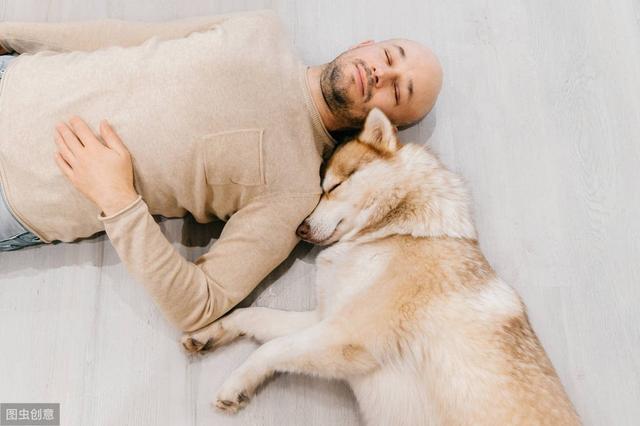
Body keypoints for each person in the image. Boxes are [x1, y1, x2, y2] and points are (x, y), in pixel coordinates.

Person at [0, 10, 443, 332]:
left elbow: (198, 305)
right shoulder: (260, 27)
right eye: (391, 54)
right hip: (12, 76)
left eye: (400, 90)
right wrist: (9, 35)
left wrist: (118, 201)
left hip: (17, 194)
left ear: (388, 127)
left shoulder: (294, 194)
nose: (383, 72)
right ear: (367, 43)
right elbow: (124, 37)